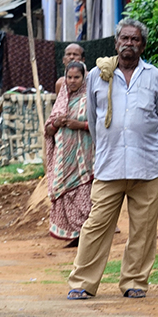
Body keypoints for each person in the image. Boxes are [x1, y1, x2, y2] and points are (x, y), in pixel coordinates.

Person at [65, 19, 158, 301]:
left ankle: (134, 281)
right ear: (116, 42)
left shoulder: (155, 76)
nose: (129, 44)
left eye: (135, 39)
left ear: (142, 45)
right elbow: (94, 123)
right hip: (109, 166)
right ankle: (83, 282)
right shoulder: (98, 75)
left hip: (146, 165)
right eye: (124, 38)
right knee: (96, 226)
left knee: (143, 230)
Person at [45, 61, 94, 247]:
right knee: (64, 194)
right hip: (63, 158)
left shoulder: (91, 97)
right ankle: (73, 235)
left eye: (77, 77)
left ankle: (85, 235)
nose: (72, 81)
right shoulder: (62, 99)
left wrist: (79, 125)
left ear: (84, 78)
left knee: (83, 195)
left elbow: (103, 125)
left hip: (85, 160)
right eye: (69, 77)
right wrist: (57, 122)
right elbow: (48, 130)